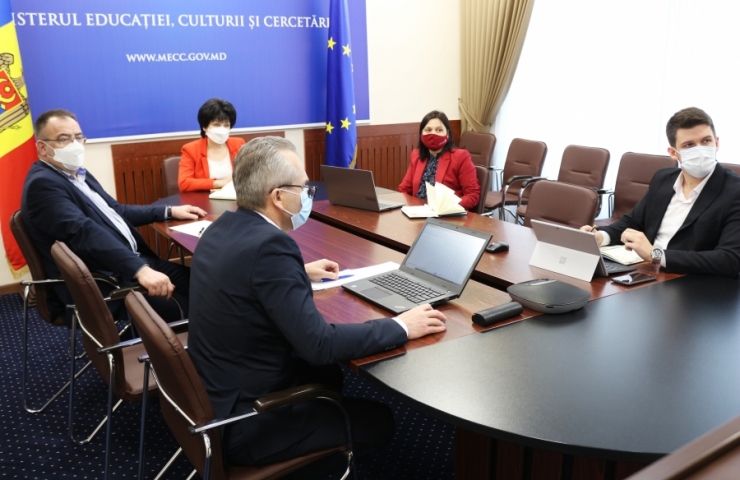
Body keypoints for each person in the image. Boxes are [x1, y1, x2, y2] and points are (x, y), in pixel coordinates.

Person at [188, 136, 447, 474]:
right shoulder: (270, 247)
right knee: (380, 419)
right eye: (303, 188)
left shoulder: (223, 225)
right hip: (246, 421)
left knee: (328, 376)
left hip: (213, 391)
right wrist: (401, 326)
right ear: (278, 197)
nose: (308, 195)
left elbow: (243, 274)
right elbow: (319, 345)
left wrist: (297, 272)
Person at [21, 109, 207, 325]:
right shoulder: (43, 185)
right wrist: (139, 269)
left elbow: (116, 211)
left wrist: (168, 211)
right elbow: (84, 232)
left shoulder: (77, 174)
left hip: (129, 263)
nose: (75, 144)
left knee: (207, 285)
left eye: (78, 137)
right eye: (64, 139)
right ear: (43, 148)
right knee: (191, 309)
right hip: (107, 280)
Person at [581, 107, 740, 278]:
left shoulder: (734, 191)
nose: (700, 150)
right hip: (647, 272)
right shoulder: (663, 179)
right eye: (689, 145)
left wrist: (656, 255)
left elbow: (730, 259)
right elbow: (633, 221)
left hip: (694, 281)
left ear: (717, 142)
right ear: (673, 153)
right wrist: (600, 237)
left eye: (706, 141)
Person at [398, 110, 480, 210]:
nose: (433, 134)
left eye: (439, 130)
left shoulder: (461, 156)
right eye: (428, 130)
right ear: (421, 134)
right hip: (417, 212)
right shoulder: (416, 155)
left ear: (447, 134)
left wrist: (448, 207)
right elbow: (404, 189)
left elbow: (472, 195)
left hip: (446, 214)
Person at [178, 98, 246, 192]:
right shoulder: (190, 149)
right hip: (205, 198)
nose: (222, 129)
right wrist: (220, 183)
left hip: (236, 196)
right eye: (216, 125)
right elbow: (184, 183)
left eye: (226, 125)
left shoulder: (239, 144)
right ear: (204, 127)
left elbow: (250, 173)